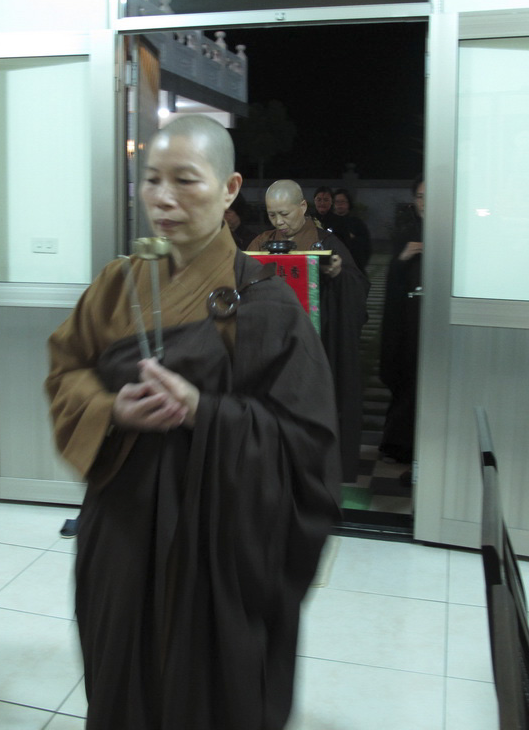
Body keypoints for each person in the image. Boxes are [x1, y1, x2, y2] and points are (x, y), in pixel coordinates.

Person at [46, 116, 340, 729]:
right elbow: (67, 370)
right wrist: (110, 409)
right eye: (152, 180)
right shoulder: (115, 285)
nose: (163, 198)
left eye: (185, 180)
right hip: (122, 529)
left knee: (207, 691)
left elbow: (306, 444)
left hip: (218, 546)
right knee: (121, 678)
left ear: (230, 188)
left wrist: (205, 411)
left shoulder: (266, 305)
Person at [249, 180, 370, 483]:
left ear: (303, 206)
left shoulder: (325, 241)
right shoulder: (262, 241)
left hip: (314, 345)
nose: (279, 223)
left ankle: (313, 475)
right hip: (270, 348)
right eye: (272, 215)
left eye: (285, 214)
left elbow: (358, 284)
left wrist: (338, 274)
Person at [379, 177, 424, 471]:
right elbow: (391, 280)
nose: (425, 203)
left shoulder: (453, 231)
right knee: (407, 377)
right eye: (420, 197)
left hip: (437, 322)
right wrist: (404, 257)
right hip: (408, 320)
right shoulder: (405, 234)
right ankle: (399, 444)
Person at [330, 188, 372, 273]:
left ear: (348, 203)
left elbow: (366, 246)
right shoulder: (328, 222)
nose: (340, 204)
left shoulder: (357, 223)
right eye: (337, 202)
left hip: (352, 268)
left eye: (343, 201)